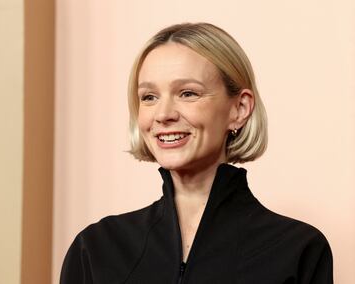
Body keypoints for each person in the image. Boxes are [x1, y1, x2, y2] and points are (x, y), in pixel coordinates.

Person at [60, 23, 333, 283]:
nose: (164, 114)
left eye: (188, 93)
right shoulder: (96, 248)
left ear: (239, 109)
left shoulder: (298, 251)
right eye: (149, 97)